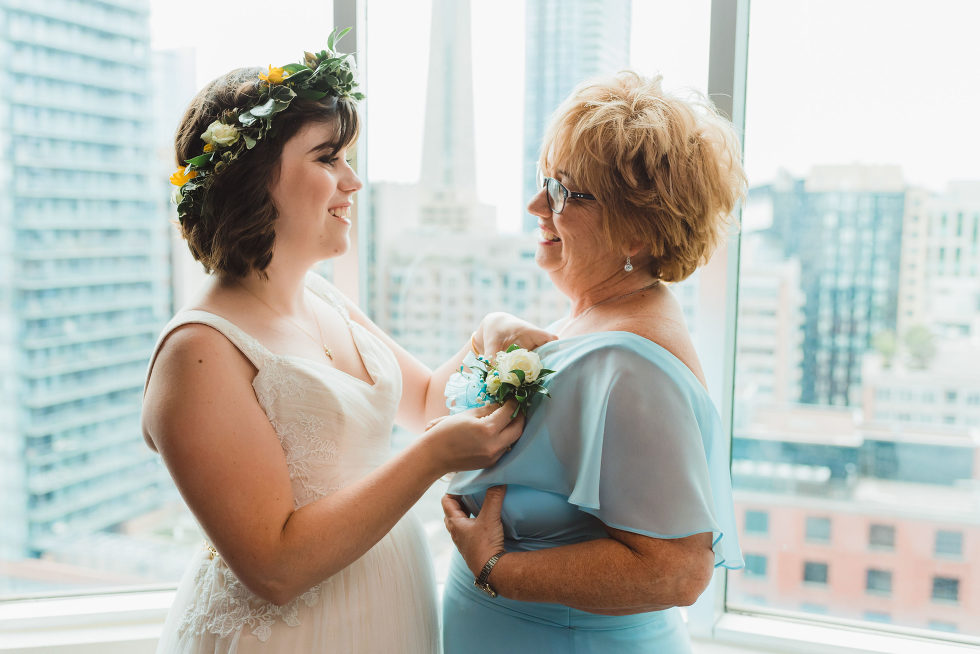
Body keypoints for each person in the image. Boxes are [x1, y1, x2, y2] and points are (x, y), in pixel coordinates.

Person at [143, 43, 554, 654]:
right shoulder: (198, 352)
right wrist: (433, 458)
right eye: (328, 157)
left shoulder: (323, 296)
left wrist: (485, 335)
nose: (353, 180)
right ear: (256, 180)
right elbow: (273, 568)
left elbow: (423, 400)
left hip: (386, 608)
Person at [441, 70, 747, 653]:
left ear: (637, 229)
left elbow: (678, 572)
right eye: (543, 182)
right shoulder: (595, 321)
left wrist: (495, 570)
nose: (536, 205)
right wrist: (492, 329)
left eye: (562, 192)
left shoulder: (632, 365)